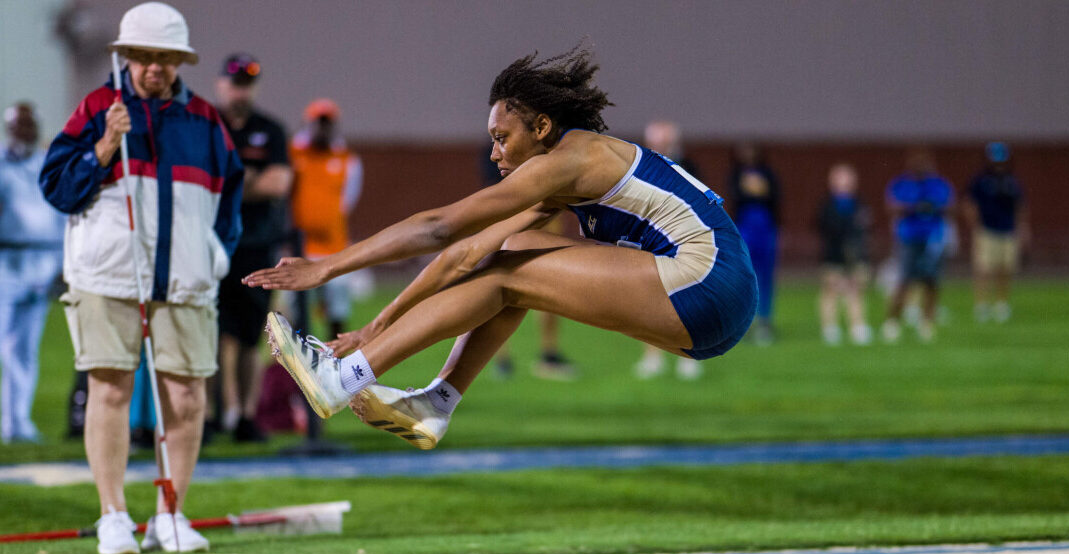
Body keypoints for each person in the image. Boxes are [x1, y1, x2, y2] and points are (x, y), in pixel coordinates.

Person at [245, 45, 757, 450]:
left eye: (502, 137)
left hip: (708, 281)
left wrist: (327, 267)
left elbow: (439, 227)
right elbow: (464, 255)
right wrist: (378, 325)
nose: (494, 154)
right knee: (511, 254)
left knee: (512, 274)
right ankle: (436, 402)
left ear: (541, 128)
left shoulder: (573, 157)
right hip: (711, 309)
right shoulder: (564, 177)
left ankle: (342, 380)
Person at [39, 1, 243, 554]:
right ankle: (113, 516)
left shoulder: (204, 118)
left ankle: (170, 515)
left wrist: (215, 257)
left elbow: (229, 202)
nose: (155, 67)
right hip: (106, 277)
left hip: (184, 280)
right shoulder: (98, 106)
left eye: (166, 58)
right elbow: (56, 188)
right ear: (125, 56)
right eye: (144, 56)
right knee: (109, 389)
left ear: (180, 61)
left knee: (188, 396)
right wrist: (104, 145)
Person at [215, 52, 292, 442]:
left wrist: (230, 182)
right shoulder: (208, 125)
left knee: (249, 336)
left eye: (247, 82)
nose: (239, 90)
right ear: (221, 84)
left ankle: (245, 415)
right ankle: (216, 413)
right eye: (234, 82)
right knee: (214, 334)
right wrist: (247, 180)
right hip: (212, 245)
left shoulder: (271, 130)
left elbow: (279, 184)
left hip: (257, 246)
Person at [0, 102, 66, 443]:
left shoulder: (46, 162)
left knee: (24, 348)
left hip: (41, 263)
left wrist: (63, 265)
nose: (25, 131)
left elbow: (61, 215)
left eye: (29, 125)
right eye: (18, 125)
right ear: (8, 128)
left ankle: (18, 423)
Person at [478, 141, 580, 382]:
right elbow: (494, 188)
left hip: (538, 219)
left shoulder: (539, 147)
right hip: (507, 219)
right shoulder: (493, 151)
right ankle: (501, 359)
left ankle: (548, 355)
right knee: (498, 289)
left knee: (547, 289)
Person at [633, 120, 702, 380]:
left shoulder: (687, 168)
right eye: (656, 142)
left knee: (684, 299)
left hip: (681, 241)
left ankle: (688, 356)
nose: (661, 146)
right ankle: (652, 357)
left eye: (665, 141)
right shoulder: (641, 168)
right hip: (649, 239)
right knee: (648, 300)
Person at [290, 98, 361, 340]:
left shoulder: (346, 160)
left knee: (336, 313)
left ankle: (337, 363)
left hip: (334, 247)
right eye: (317, 123)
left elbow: (348, 200)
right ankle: (297, 365)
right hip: (300, 248)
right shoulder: (294, 154)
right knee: (296, 313)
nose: (321, 129)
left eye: (326, 123)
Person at [881, 148, 954, 343]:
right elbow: (891, 206)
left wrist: (933, 206)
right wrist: (912, 207)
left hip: (933, 239)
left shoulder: (938, 184)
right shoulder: (902, 184)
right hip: (909, 238)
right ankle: (892, 321)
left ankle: (927, 323)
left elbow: (950, 206)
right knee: (904, 281)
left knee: (931, 282)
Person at [965, 142, 1027, 323]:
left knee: (1005, 268)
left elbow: (1020, 205)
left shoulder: (1012, 181)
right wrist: (976, 225)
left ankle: (1001, 304)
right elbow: (969, 203)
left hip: (1007, 230)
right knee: (983, 269)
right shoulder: (980, 180)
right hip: (986, 229)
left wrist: (1022, 227)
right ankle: (982, 304)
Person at [729, 143, 780, 345]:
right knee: (743, 275)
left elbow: (774, 196)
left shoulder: (768, 173)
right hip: (744, 229)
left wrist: (757, 189)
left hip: (765, 230)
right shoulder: (735, 174)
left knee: (765, 276)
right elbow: (735, 196)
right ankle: (742, 321)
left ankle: (764, 320)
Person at [817, 163, 873, 346]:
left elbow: (865, 228)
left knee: (855, 288)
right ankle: (830, 327)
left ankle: (857, 325)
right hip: (833, 253)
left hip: (855, 253)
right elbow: (823, 227)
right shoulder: (827, 205)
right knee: (831, 288)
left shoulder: (859, 204)